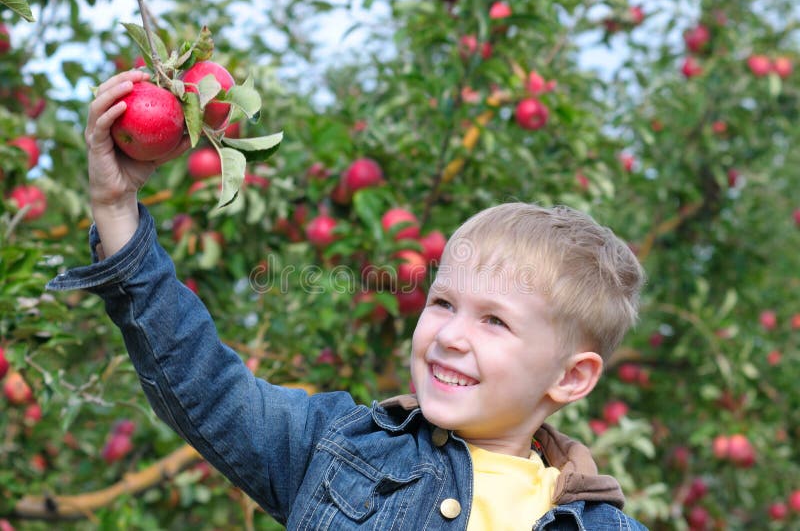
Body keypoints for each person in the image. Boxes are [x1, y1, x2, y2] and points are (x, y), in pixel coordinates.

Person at [47, 70, 649, 530]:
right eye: (442, 303)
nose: (450, 335)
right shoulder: (337, 447)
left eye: (495, 321)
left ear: (572, 378)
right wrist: (116, 210)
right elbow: (202, 383)